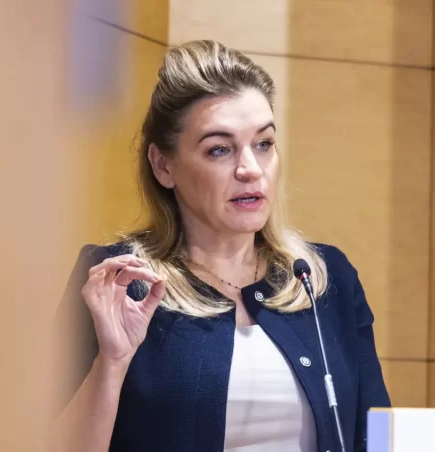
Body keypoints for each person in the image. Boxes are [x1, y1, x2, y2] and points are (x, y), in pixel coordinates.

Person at [50, 40, 391, 452]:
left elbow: (378, 435)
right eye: (219, 149)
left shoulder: (322, 279)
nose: (250, 169)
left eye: (264, 144)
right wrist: (112, 362)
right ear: (163, 165)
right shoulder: (120, 282)